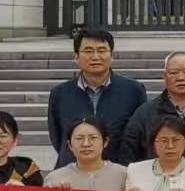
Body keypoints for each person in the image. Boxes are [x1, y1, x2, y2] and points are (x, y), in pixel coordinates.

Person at [47, 28, 145, 167]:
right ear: (76, 56)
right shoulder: (60, 93)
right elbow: (57, 136)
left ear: (112, 56)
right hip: (72, 172)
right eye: (88, 51)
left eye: (101, 50)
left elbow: (139, 135)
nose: (95, 56)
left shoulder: (133, 90)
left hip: (119, 171)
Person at [117, 50, 185, 165]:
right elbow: (128, 152)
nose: (180, 77)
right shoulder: (145, 112)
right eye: (174, 72)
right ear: (164, 76)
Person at [125, 116, 185, 191]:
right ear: (153, 143)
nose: (170, 146)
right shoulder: (135, 170)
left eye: (176, 140)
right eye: (164, 140)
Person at [44, 117, 129, 191]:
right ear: (70, 145)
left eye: (93, 137)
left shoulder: (124, 175)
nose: (86, 144)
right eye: (79, 138)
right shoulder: (55, 179)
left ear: (105, 142)